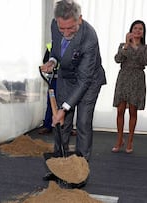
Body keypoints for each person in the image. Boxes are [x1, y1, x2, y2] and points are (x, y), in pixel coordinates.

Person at [40, 0, 106, 163]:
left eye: (70, 27)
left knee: (83, 122)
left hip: (89, 81)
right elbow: (56, 49)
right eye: (62, 28)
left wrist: (65, 108)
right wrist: (53, 61)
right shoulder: (55, 25)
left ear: (80, 19)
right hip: (66, 78)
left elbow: (84, 80)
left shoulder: (90, 37)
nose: (66, 32)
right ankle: (59, 162)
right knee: (62, 123)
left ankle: (80, 166)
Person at [111, 20, 147, 153]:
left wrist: (135, 46)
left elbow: (144, 61)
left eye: (140, 29)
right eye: (135, 28)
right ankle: (119, 139)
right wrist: (127, 45)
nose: (137, 31)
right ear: (131, 30)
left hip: (137, 78)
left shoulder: (146, 47)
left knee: (133, 111)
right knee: (120, 110)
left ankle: (130, 141)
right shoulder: (123, 45)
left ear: (143, 32)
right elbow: (117, 59)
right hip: (124, 77)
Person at [38, 43, 56, 134]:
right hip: (54, 79)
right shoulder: (51, 46)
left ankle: (66, 127)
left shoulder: (70, 43)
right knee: (51, 102)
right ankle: (47, 125)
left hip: (66, 80)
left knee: (66, 103)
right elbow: (45, 60)